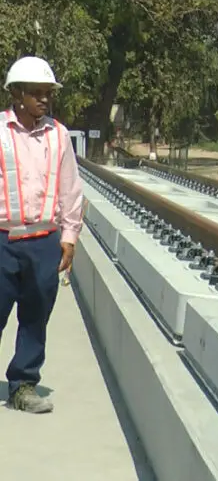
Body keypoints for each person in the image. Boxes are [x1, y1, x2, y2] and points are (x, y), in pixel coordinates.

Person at [0, 56, 84, 413]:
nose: (44, 100)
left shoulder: (59, 135)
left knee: (35, 316)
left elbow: (70, 189)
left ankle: (23, 384)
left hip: (45, 242)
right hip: (3, 241)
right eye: (36, 93)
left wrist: (69, 236)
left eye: (48, 93)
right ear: (16, 94)